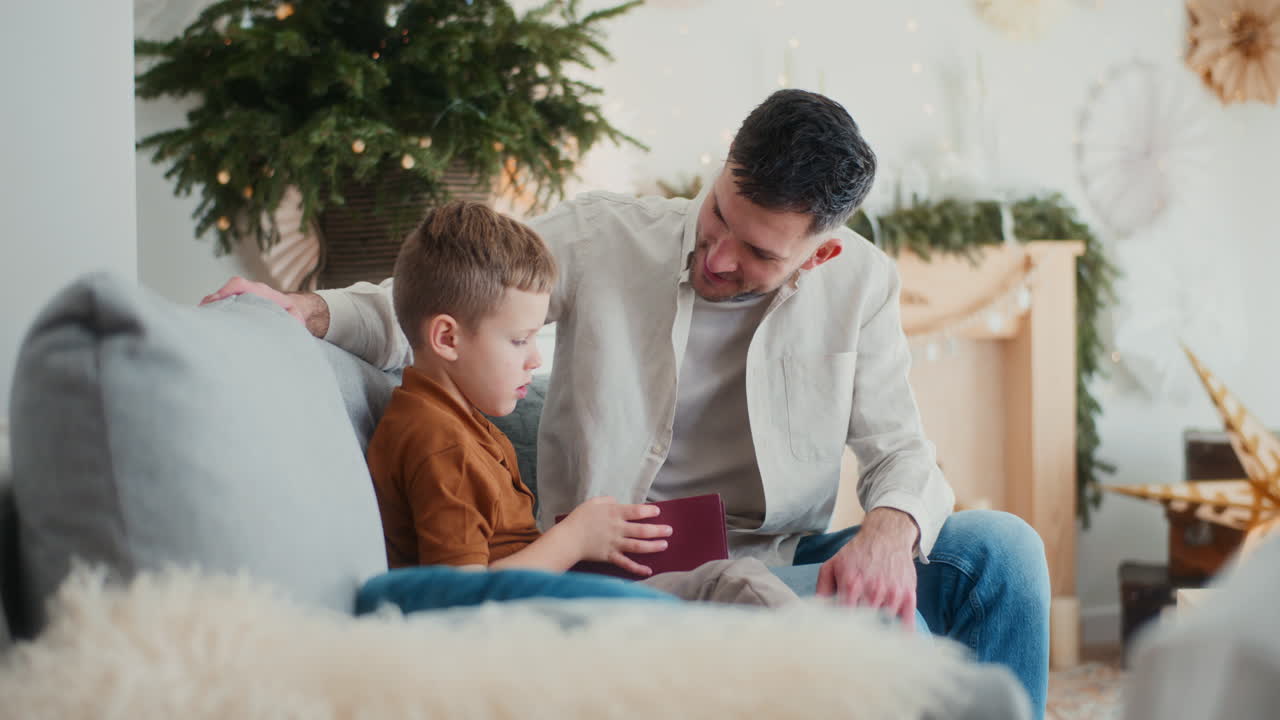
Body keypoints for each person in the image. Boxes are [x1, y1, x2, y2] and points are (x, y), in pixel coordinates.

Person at [205, 89, 1050, 716]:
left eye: (756, 252)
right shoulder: (605, 237)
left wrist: (887, 534)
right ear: (722, 170)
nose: (717, 255)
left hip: (777, 561)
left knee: (1001, 551)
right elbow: (446, 304)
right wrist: (311, 311)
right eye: (719, 213)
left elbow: (903, 451)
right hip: (612, 571)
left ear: (822, 254)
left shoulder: (862, 284)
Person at [364, 198, 797, 608]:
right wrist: (574, 539)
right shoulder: (440, 441)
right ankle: (832, 669)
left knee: (719, 579)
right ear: (447, 338)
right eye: (519, 340)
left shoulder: (451, 419)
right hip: (538, 616)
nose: (535, 359)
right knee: (733, 583)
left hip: (550, 596)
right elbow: (458, 600)